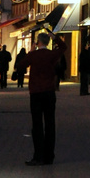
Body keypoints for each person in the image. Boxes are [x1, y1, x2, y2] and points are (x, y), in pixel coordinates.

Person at [24, 29, 66, 166]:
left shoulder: (33, 55)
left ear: (37, 42)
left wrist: (31, 51)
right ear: (47, 42)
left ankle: (38, 156)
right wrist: (55, 37)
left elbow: (20, 66)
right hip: (49, 91)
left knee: (37, 125)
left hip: (36, 92)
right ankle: (49, 156)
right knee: (50, 124)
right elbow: (63, 47)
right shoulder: (51, 54)